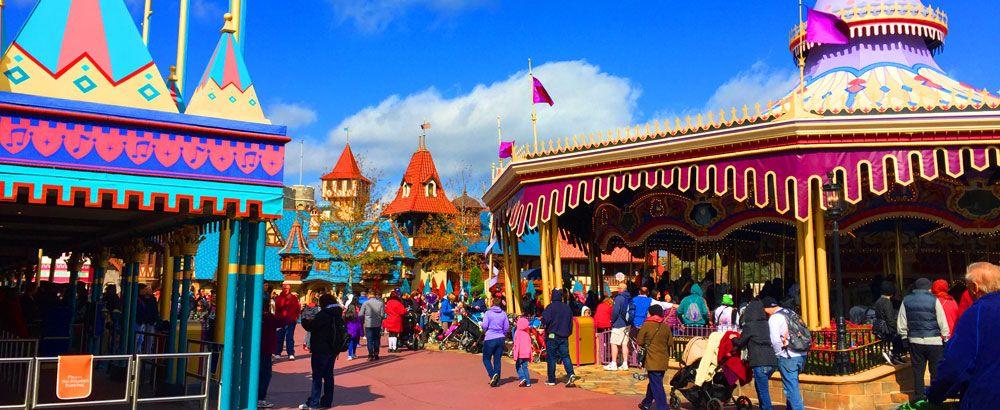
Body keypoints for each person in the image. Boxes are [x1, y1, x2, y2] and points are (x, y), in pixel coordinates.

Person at [927, 262, 1000, 409]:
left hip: (986, 398)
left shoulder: (978, 312)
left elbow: (956, 364)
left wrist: (935, 393)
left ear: (974, 287)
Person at [897, 277, 950, 404]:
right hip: (934, 341)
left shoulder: (906, 300)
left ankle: (919, 397)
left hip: (915, 340)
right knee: (935, 370)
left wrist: (904, 337)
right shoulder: (934, 300)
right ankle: (936, 398)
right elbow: (942, 320)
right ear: (929, 287)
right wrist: (946, 337)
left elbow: (901, 321)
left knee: (918, 370)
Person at [298, 294, 344, 410]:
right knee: (328, 376)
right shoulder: (338, 314)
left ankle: (313, 403)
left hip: (320, 349)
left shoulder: (324, 314)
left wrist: (304, 320)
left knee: (317, 376)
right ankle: (327, 401)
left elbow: (311, 326)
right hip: (333, 349)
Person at [761, 297, 806, 410]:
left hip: (788, 356)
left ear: (767, 309)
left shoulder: (774, 318)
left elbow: (775, 340)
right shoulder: (790, 312)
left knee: (791, 389)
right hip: (801, 354)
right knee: (792, 386)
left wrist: (779, 354)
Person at [732, 300, 779, 410]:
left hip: (760, 362)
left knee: (763, 391)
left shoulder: (750, 326)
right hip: (772, 361)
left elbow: (740, 342)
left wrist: (733, 339)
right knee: (760, 387)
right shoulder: (767, 324)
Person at [540, 289, 579, 387]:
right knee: (565, 356)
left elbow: (545, 319)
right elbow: (571, 322)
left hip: (552, 336)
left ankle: (551, 379)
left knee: (551, 358)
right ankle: (571, 374)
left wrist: (544, 326)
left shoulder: (550, 307)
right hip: (564, 336)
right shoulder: (567, 308)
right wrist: (568, 333)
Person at [636, 304, 672, 410]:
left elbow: (639, 341)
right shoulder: (665, 326)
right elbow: (670, 343)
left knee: (657, 385)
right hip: (663, 360)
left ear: (651, 313)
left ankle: (662, 406)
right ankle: (646, 403)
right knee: (654, 382)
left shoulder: (647, 325)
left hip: (652, 360)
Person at [873, 281, 905, 364]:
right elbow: (890, 319)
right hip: (886, 329)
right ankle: (896, 355)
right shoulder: (887, 302)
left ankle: (894, 355)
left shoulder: (878, 301)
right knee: (900, 337)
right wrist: (896, 328)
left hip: (880, 328)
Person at [481, 297, 510, 387]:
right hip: (500, 337)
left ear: (492, 303)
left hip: (490, 337)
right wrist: (502, 333)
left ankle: (492, 374)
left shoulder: (488, 313)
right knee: (497, 359)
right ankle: (497, 379)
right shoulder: (503, 314)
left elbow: (485, 325)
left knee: (486, 358)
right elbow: (506, 327)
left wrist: (482, 327)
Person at [258, 295, 281, 409]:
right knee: (265, 374)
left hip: (255, 348)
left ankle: (254, 396)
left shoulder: (253, 316)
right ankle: (260, 398)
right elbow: (282, 321)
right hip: (265, 349)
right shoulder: (270, 317)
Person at [605, 284, 631, 371]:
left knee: (613, 343)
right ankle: (625, 363)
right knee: (624, 344)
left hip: (619, 324)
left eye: (618, 288)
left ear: (620, 289)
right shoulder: (629, 297)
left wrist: (612, 321)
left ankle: (614, 363)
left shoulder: (619, 298)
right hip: (627, 323)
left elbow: (615, 311)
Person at [273, 284, 301, 360]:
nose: (287, 290)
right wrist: (286, 300)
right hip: (281, 320)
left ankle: (291, 353)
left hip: (291, 320)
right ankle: (277, 353)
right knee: (279, 337)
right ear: (282, 288)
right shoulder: (279, 298)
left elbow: (298, 308)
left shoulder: (294, 297)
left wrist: (296, 317)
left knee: (290, 337)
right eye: (285, 288)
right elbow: (278, 307)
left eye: (288, 288)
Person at [360, 293, 385, 361]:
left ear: (369, 296)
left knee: (369, 340)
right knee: (377, 339)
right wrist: (380, 319)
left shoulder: (365, 303)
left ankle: (370, 355)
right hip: (377, 323)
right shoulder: (380, 303)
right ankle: (376, 353)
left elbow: (361, 314)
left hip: (368, 323)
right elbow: (382, 314)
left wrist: (363, 320)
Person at [511, 316, 534, 387]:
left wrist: (515, 354)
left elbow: (516, 344)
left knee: (518, 366)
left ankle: (522, 377)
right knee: (525, 367)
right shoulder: (527, 334)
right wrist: (530, 355)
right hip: (526, 354)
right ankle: (528, 382)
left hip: (520, 353)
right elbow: (529, 345)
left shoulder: (517, 333)